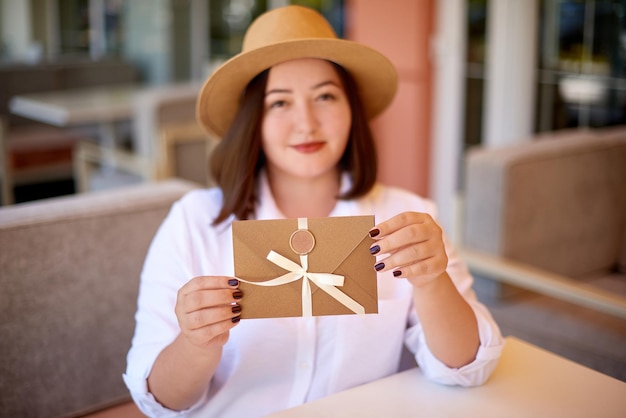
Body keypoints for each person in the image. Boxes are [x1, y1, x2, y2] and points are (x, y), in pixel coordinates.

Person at [124, 5, 503, 417]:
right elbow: (157, 402)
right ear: (254, 121)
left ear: (352, 110)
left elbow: (469, 368)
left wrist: (432, 282)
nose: (306, 123)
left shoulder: (409, 216)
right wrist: (195, 342)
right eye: (280, 103)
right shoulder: (193, 222)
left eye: (325, 96)